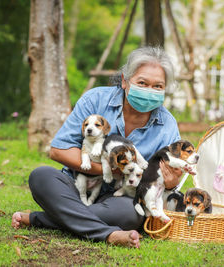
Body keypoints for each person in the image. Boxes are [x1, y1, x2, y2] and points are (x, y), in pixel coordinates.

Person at [11, 46, 183, 248]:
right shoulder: (95, 100)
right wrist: (107, 170)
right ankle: (109, 234)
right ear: (124, 81)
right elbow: (59, 150)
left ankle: (43, 219)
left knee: (132, 214)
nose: (149, 91)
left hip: (121, 198)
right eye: (142, 83)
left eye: (157, 87)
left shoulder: (167, 125)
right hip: (78, 184)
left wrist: (170, 182)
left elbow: (164, 181)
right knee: (41, 176)